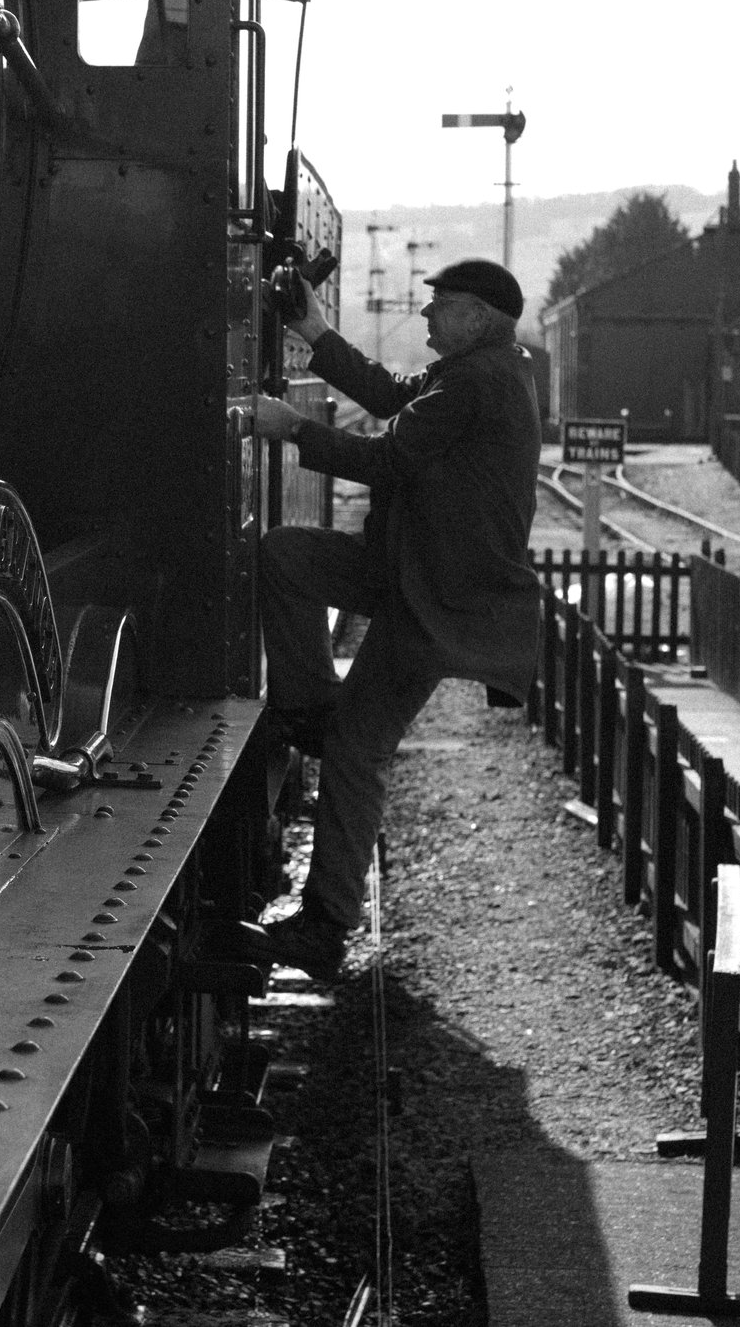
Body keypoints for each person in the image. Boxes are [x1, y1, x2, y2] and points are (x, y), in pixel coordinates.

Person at [240, 257, 544, 979]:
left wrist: (292, 431)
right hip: (410, 567)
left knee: (357, 750)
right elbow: (389, 392)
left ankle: (325, 925)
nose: (428, 315)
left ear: (475, 316)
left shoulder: (479, 381)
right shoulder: (480, 371)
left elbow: (389, 459)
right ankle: (309, 705)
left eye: (440, 306)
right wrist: (314, 329)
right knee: (286, 557)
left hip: (436, 597)